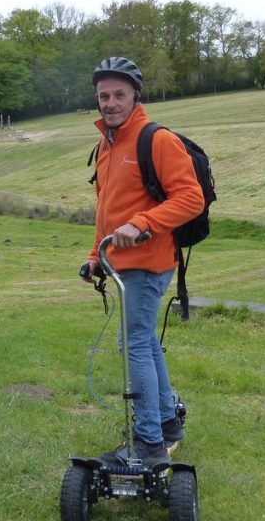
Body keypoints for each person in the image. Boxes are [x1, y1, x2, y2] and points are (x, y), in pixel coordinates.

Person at [80, 56, 204, 467]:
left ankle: (148, 443)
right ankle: (168, 422)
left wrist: (143, 223)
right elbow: (106, 207)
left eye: (119, 94)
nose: (110, 103)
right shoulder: (107, 144)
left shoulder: (157, 140)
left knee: (133, 344)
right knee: (145, 342)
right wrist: (95, 254)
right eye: (104, 96)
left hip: (149, 263)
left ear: (135, 95)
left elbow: (190, 198)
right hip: (120, 264)